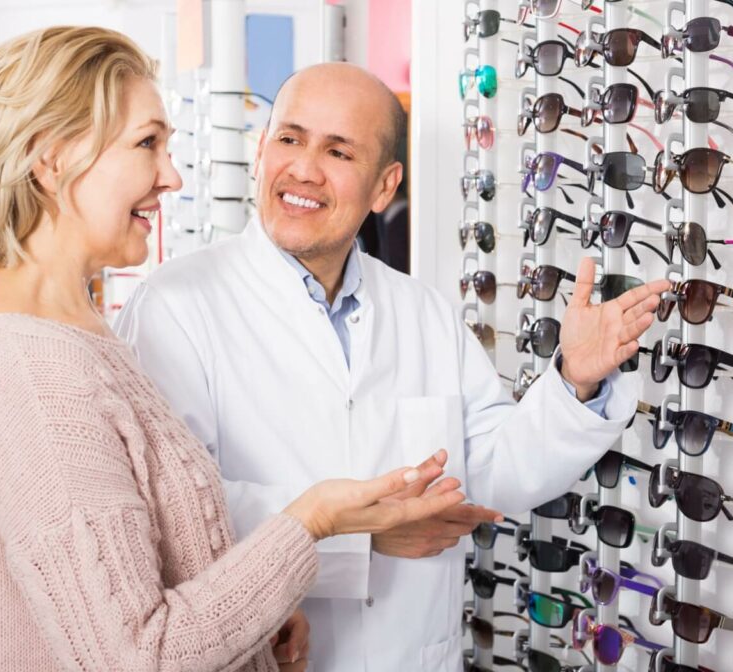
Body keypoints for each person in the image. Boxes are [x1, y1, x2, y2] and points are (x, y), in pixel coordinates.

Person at [0, 27, 467, 671]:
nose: (171, 177)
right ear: (52, 157)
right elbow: (137, 657)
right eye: (147, 143)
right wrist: (311, 520)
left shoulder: (76, 332)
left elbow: (140, 568)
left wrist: (257, 615)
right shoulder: (30, 375)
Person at [116, 62, 670, 671]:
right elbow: (179, 519)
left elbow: (493, 470)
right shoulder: (175, 307)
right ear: (260, 152)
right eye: (289, 138)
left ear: (384, 187)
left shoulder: (423, 313)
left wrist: (575, 378)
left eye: (339, 152)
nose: (303, 168)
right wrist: (364, 536)